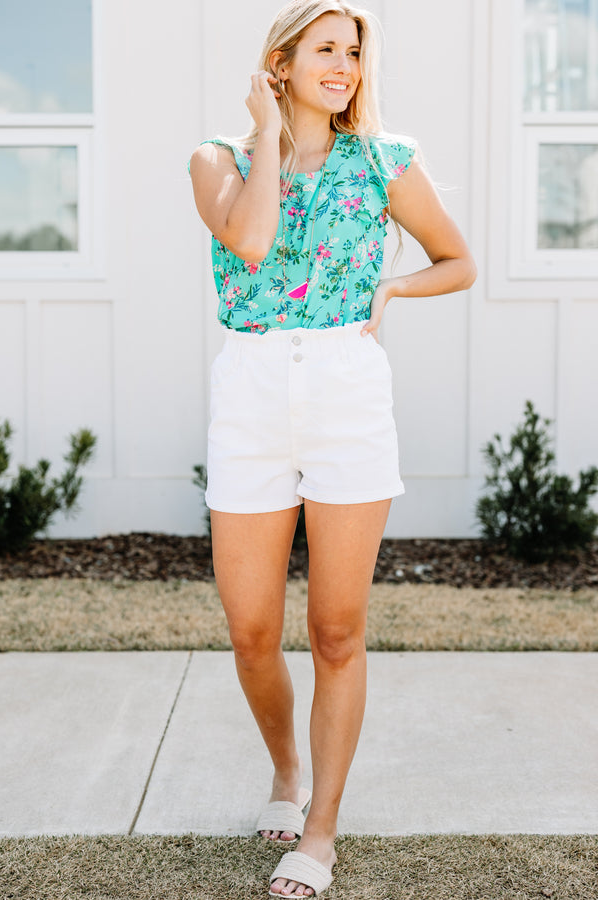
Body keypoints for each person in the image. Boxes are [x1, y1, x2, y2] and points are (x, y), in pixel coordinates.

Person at [189, 1, 476, 895]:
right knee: (251, 632)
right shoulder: (218, 161)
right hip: (252, 392)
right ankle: (285, 769)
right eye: (326, 49)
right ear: (279, 62)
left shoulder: (388, 160)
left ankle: (319, 832)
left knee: (337, 630)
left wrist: (390, 291)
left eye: (355, 52)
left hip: (349, 392)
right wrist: (268, 130)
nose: (347, 65)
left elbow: (457, 259)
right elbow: (250, 236)